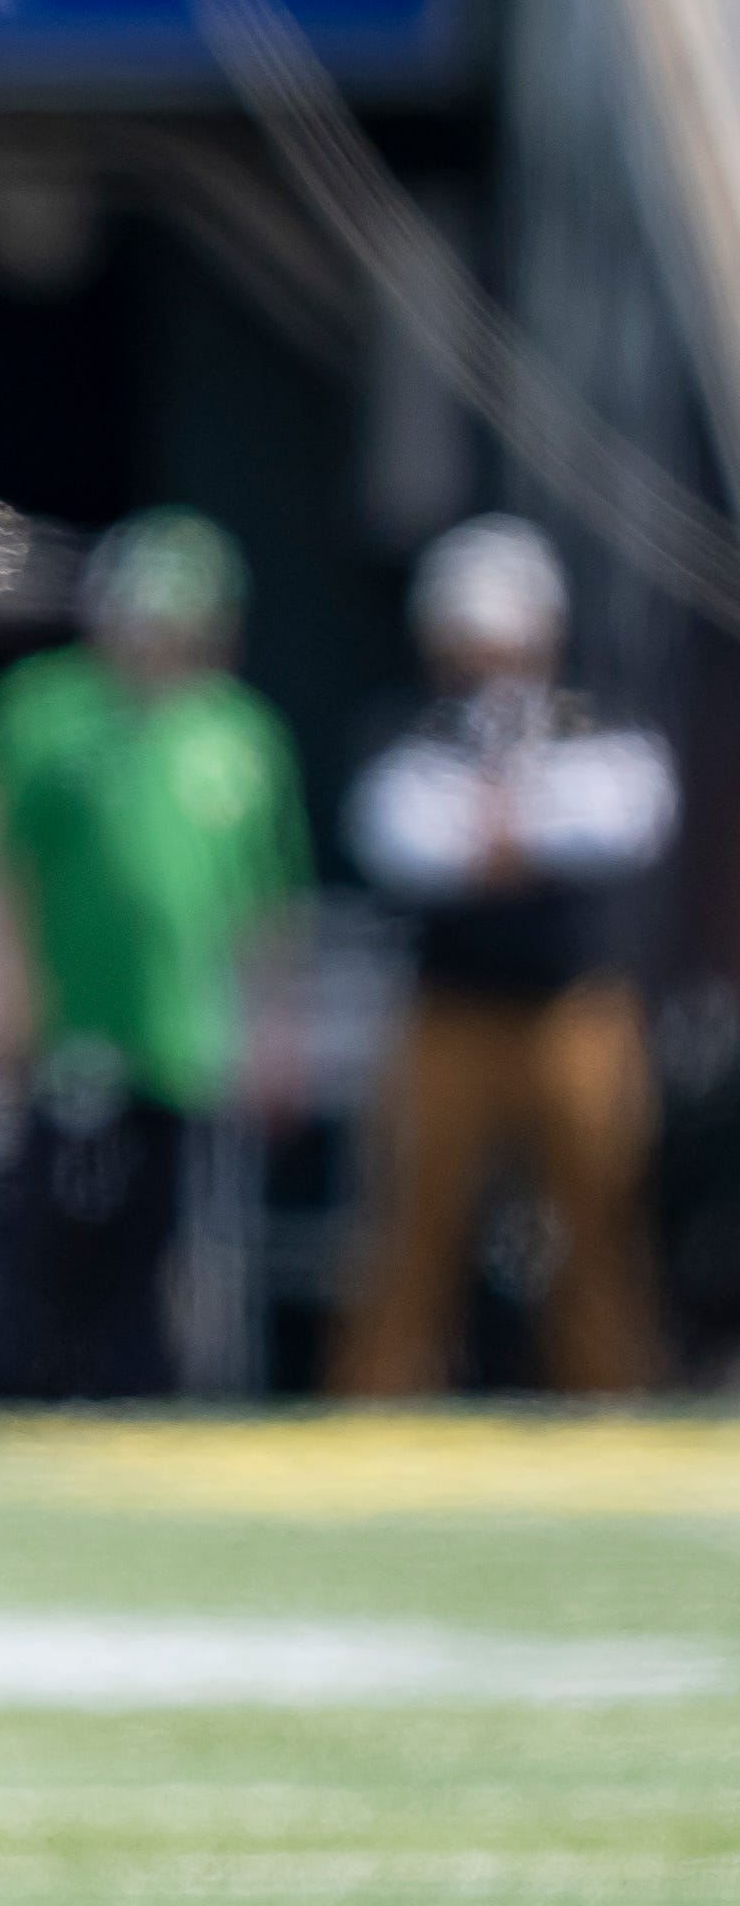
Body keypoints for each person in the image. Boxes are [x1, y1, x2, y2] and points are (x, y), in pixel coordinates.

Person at [0, 508, 309, 1400]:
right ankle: (25, 1393)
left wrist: (278, 1031)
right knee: (48, 1224)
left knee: (160, 1233)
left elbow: (271, 907)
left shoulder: (242, 736)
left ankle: (139, 1402)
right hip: (68, 1020)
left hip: (180, 1037)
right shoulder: (42, 710)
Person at [337, 516, 675, 1394]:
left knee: (598, 1218)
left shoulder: (595, 718)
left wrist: (504, 826)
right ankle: (377, 1405)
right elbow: (399, 835)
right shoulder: (410, 728)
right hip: (448, 1013)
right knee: (413, 1223)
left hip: (574, 1009)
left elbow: (628, 815)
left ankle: (612, 1405)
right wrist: (519, 830)